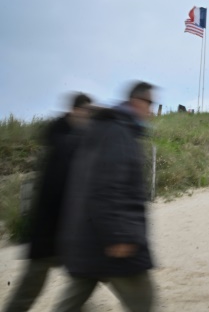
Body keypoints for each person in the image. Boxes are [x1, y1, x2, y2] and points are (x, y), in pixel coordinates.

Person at [55, 82, 157, 312]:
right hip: (112, 245)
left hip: (87, 241)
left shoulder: (106, 129)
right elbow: (106, 186)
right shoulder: (118, 132)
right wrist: (118, 236)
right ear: (137, 102)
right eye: (150, 103)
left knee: (69, 306)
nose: (151, 110)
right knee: (145, 304)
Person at [2, 93, 93, 312]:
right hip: (48, 232)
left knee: (80, 286)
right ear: (75, 111)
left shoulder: (67, 139)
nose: (89, 119)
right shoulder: (62, 142)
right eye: (87, 113)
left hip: (64, 232)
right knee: (29, 291)